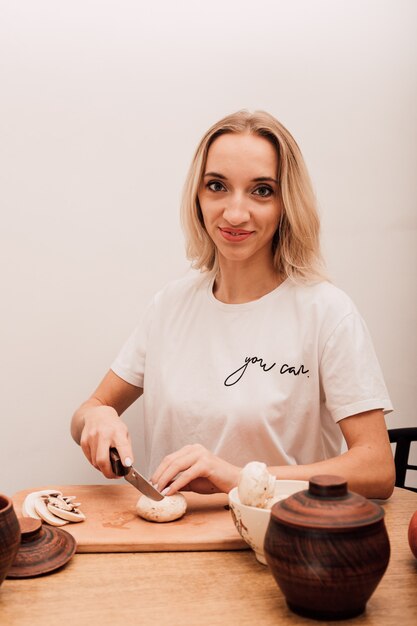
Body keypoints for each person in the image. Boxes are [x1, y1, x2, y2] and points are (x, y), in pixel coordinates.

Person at [71, 110, 395, 500]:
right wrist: (97, 417)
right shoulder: (170, 306)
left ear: (285, 203)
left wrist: (243, 477)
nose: (236, 213)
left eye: (261, 190)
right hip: (173, 541)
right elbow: (88, 411)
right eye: (217, 186)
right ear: (198, 194)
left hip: (283, 543)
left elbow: (377, 468)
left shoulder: (327, 313)